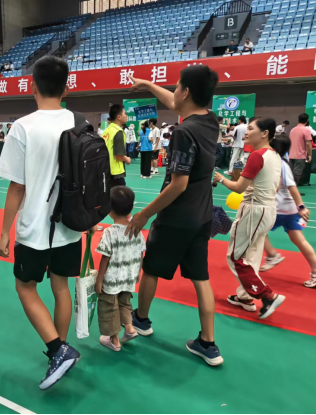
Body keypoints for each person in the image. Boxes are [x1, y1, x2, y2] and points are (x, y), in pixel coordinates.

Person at [0, 56, 87, 391]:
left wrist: (4, 232)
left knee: (25, 287)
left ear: (32, 86)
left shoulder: (23, 127)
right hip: (70, 226)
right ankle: (60, 351)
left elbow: (17, 187)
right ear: (67, 87)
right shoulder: (80, 122)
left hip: (35, 228)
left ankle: (57, 351)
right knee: (60, 288)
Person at [127, 66, 223, 367]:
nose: (174, 92)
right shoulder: (210, 121)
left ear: (187, 92)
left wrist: (144, 214)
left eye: (178, 86)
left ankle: (141, 320)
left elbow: (178, 184)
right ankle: (208, 343)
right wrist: (147, 84)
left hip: (176, 217)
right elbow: (172, 101)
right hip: (202, 214)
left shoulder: (183, 132)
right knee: (200, 277)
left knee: (151, 268)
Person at [214, 118, 286, 320]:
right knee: (251, 255)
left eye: (251, 129)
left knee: (236, 257)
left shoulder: (257, 155)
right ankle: (245, 297)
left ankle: (267, 295)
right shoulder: (274, 155)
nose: (246, 132)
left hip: (254, 211)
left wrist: (221, 179)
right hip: (268, 210)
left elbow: (238, 188)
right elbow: (278, 185)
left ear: (265, 133)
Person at [260, 135, 316, 287]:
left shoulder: (280, 163)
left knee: (257, 230)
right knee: (300, 240)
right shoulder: (280, 162)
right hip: (290, 210)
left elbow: (292, 187)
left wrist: (301, 207)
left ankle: (272, 255)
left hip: (280, 209)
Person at [95, 186, 145, 352]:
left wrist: (99, 280)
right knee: (124, 302)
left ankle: (114, 340)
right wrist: (137, 273)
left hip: (112, 278)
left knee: (109, 306)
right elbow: (141, 252)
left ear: (110, 210)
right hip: (129, 276)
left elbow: (105, 257)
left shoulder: (109, 232)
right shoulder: (137, 230)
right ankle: (129, 328)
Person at [102, 105, 131, 187]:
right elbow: (119, 155)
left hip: (106, 170)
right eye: (125, 113)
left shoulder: (107, 130)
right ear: (119, 117)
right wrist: (127, 159)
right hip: (115, 173)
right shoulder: (118, 132)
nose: (126, 116)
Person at [288, 113, 313, 187]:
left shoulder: (292, 130)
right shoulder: (306, 130)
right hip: (300, 155)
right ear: (307, 121)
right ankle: (292, 190)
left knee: (290, 173)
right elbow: (308, 144)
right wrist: (310, 155)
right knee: (297, 174)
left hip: (291, 155)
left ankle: (288, 189)